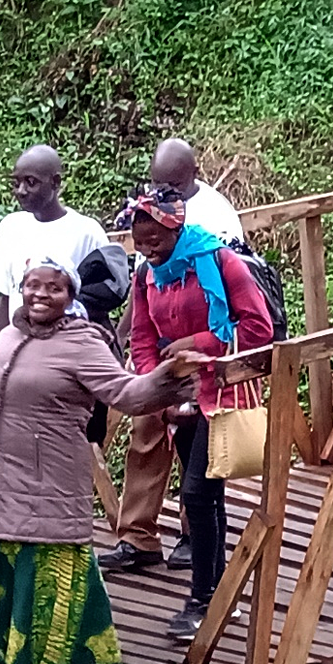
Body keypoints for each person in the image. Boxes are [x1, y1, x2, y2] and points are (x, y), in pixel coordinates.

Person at [0, 257, 204, 664]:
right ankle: (26, 662)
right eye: (32, 286)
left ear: (70, 297)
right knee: (11, 575)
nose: (41, 295)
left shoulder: (83, 343)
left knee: (50, 582)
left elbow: (126, 393)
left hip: (49, 482)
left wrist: (173, 378)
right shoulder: (10, 334)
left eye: (54, 289)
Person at [125, 189, 273, 640]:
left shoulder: (220, 261)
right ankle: (219, 591)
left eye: (155, 240)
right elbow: (142, 337)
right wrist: (158, 386)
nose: (148, 250)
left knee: (195, 494)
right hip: (179, 398)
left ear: (176, 229)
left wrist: (197, 345)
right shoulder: (147, 277)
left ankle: (202, 601)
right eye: (140, 242)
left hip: (221, 392)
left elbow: (257, 328)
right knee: (207, 497)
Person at [101, 138, 245, 574]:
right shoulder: (151, 210)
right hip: (158, 347)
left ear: (191, 175)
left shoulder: (216, 215)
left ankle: (191, 533)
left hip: (201, 348)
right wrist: (127, 338)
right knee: (145, 433)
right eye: (157, 182)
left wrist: (205, 347)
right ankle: (137, 535)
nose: (164, 190)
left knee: (194, 445)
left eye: (172, 184)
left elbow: (230, 291)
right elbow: (144, 279)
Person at [0, 145, 111, 337]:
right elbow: (6, 298)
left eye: (31, 182)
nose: (21, 191)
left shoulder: (87, 232)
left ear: (55, 182)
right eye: (16, 183)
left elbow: (100, 305)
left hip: (69, 345)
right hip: (20, 343)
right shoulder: (10, 227)